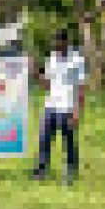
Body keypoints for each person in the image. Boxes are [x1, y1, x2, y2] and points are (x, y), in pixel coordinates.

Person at [32, 29, 86, 185]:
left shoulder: (77, 59)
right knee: (44, 139)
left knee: (68, 141)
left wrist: (77, 111)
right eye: (54, 42)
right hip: (51, 105)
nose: (55, 45)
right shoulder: (51, 59)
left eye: (58, 42)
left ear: (65, 41)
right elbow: (47, 85)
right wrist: (36, 73)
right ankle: (41, 171)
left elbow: (81, 87)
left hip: (68, 106)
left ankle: (71, 172)